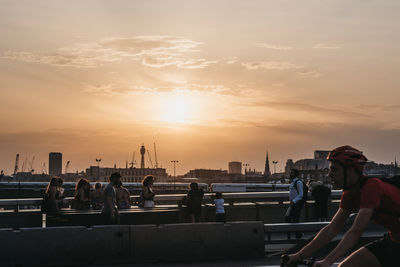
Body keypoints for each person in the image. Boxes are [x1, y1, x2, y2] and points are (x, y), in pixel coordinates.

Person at [283, 145, 400, 267]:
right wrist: (299, 255)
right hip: (394, 241)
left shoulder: (371, 188)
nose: (329, 174)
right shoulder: (350, 193)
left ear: (349, 170)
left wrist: (328, 261)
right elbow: (332, 228)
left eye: (334, 169)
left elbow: (356, 231)